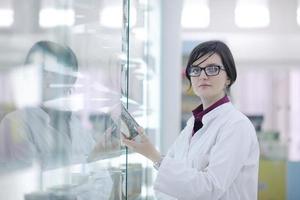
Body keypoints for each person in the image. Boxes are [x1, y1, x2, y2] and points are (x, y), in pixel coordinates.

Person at [123, 40, 260, 200]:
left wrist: (154, 156)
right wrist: (148, 150)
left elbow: (211, 188)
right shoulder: (193, 125)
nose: (202, 75)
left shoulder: (237, 125)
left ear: (228, 77)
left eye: (212, 69)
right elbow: (176, 179)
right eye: (196, 69)